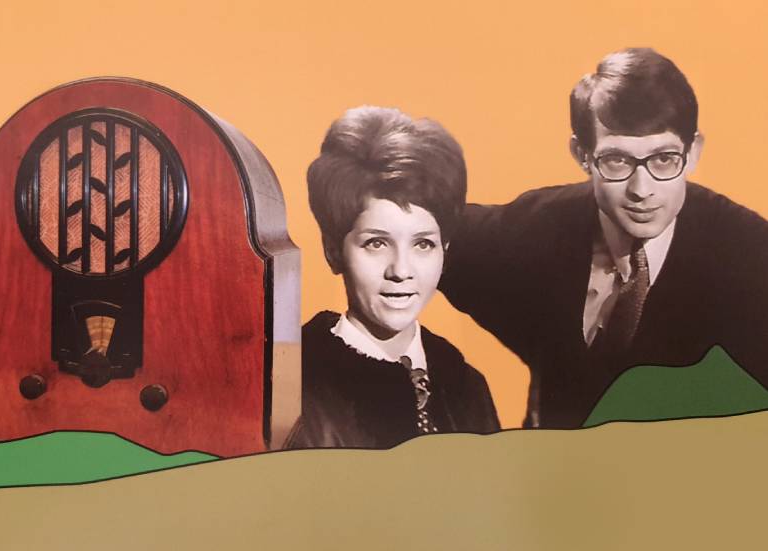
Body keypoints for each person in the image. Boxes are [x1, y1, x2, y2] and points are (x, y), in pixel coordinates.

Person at [440, 48, 768, 429]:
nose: (642, 189)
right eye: (617, 161)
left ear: (692, 153)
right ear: (582, 155)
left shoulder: (750, 253)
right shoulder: (537, 226)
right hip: (556, 461)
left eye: (664, 159)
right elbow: (429, 226)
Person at [287, 106, 500, 449]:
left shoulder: (466, 385)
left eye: (423, 244)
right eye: (376, 243)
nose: (401, 271)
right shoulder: (293, 388)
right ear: (333, 250)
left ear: (444, 251)